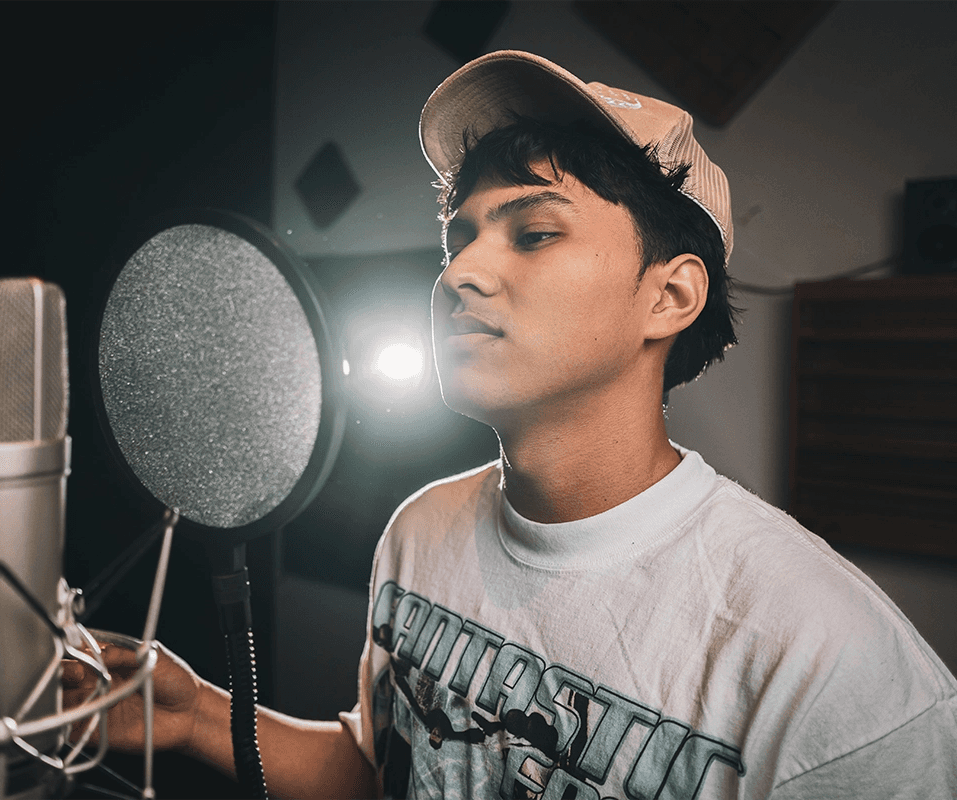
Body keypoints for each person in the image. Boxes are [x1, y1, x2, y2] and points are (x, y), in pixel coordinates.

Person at [63, 51, 957, 799]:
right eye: (458, 244)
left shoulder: (835, 665)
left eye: (533, 234)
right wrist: (192, 716)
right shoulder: (421, 531)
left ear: (669, 295)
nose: (458, 276)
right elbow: (390, 771)